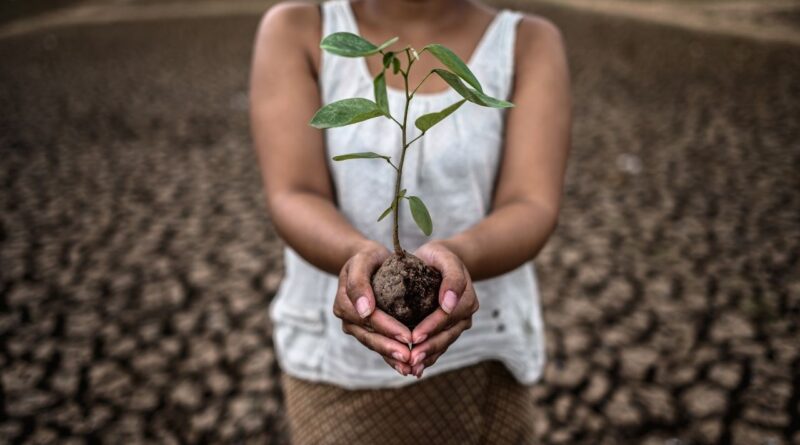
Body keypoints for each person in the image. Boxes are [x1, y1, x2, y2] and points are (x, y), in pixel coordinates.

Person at [249, 0, 570, 443]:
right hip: (337, 371)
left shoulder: (527, 41)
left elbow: (532, 203)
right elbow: (292, 192)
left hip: (483, 356)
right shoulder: (299, 29)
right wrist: (357, 257)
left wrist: (459, 258)